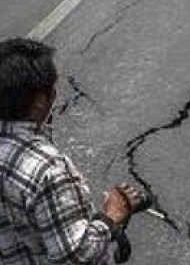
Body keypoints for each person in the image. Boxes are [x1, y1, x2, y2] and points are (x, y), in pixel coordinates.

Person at [0, 38, 145, 265]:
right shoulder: (47, 170)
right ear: (39, 100)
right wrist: (111, 217)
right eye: (51, 91)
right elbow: (75, 257)